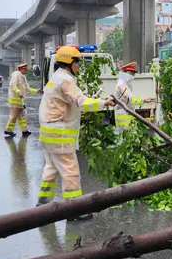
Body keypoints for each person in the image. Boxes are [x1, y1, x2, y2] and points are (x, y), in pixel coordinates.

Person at [36, 46, 115, 221]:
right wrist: (104, 103)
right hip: (60, 134)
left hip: (48, 134)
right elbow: (82, 102)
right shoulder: (66, 81)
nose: (79, 66)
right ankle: (74, 210)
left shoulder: (54, 79)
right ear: (69, 63)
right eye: (77, 62)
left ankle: (43, 205)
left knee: (51, 169)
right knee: (71, 172)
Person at [113, 62, 151, 130]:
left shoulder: (124, 83)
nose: (132, 76)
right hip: (123, 114)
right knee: (125, 135)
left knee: (127, 134)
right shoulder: (122, 84)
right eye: (130, 73)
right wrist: (143, 100)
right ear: (125, 73)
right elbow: (130, 98)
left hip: (125, 112)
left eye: (133, 74)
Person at [4, 63, 38, 137]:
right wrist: (18, 92)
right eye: (25, 69)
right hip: (15, 101)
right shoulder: (16, 75)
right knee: (13, 116)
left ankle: (24, 131)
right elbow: (13, 85)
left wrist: (37, 91)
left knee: (22, 117)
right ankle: (8, 130)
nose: (26, 70)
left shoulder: (23, 77)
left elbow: (28, 88)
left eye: (26, 69)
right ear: (21, 69)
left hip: (20, 101)